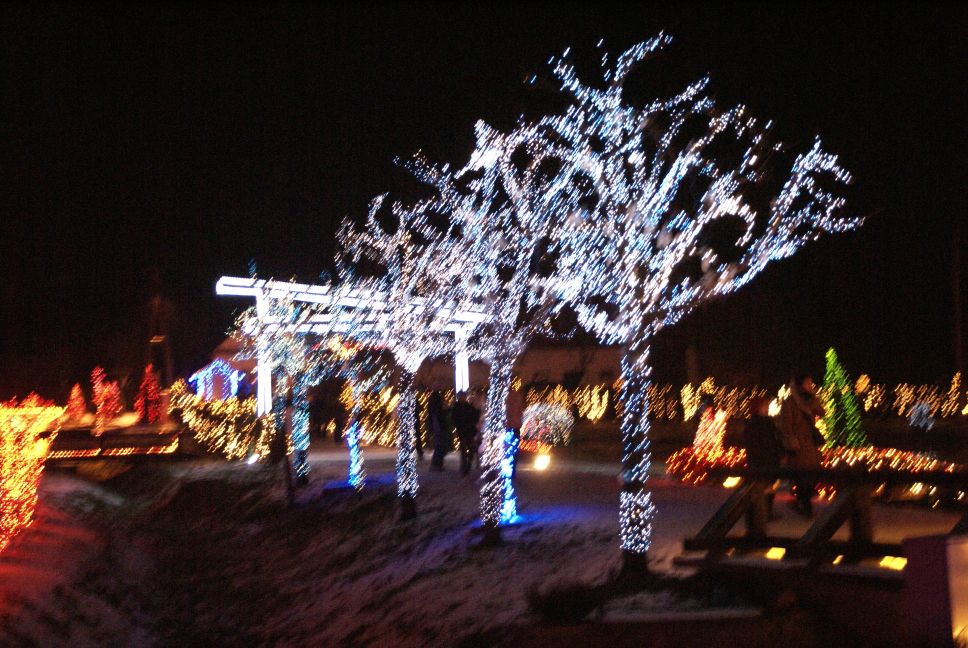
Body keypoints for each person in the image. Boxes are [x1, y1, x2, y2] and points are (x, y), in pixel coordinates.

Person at [777, 374, 826, 516]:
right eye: (808, 383)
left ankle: (802, 503)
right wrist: (791, 441)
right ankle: (806, 507)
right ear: (800, 385)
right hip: (799, 446)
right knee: (802, 476)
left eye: (811, 383)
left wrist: (814, 397)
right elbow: (786, 425)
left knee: (809, 475)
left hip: (809, 444)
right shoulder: (790, 402)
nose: (811, 386)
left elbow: (822, 412)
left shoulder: (810, 400)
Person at [741, 396, 783, 535]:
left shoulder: (765, 424)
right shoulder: (759, 425)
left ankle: (764, 515)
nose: (767, 408)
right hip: (762, 464)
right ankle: (759, 523)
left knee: (767, 490)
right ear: (758, 408)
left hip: (766, 463)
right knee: (761, 492)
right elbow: (762, 446)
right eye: (765, 406)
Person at [451, 391, 480, 476]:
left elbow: (475, 417)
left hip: (469, 431)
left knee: (471, 449)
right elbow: (454, 419)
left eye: (463, 397)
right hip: (463, 431)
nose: (463, 398)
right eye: (461, 397)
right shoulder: (457, 407)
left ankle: (467, 466)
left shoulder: (468, 407)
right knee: (464, 450)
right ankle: (465, 468)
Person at [505, 381, 524, 479]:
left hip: (508, 426)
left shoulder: (505, 397)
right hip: (516, 425)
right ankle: (513, 469)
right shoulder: (518, 396)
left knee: (507, 447)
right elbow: (520, 411)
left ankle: (508, 467)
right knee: (515, 447)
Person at [428, 390, 450, 471]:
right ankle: (437, 464)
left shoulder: (433, 402)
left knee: (439, 445)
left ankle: (437, 464)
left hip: (438, 426)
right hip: (440, 426)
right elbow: (443, 411)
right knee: (440, 446)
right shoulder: (438, 403)